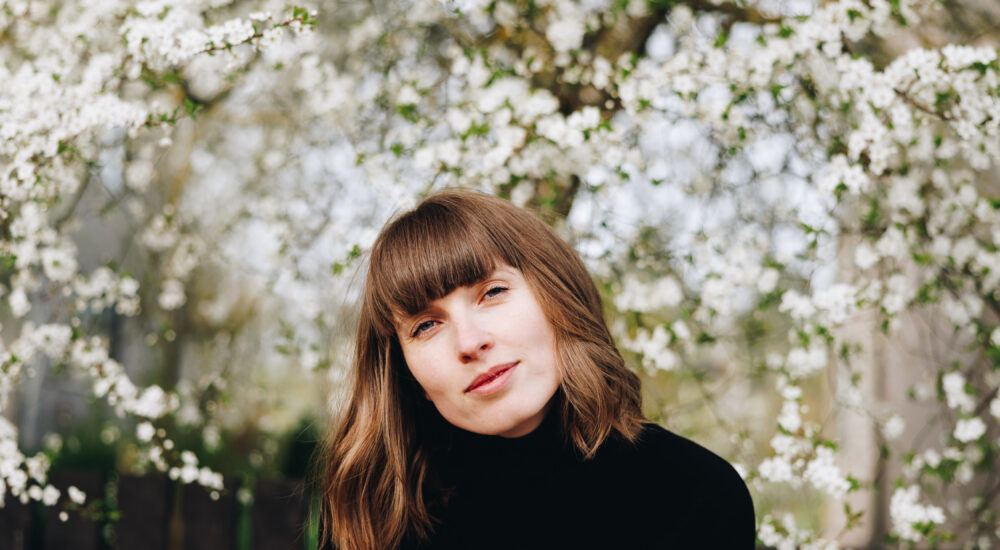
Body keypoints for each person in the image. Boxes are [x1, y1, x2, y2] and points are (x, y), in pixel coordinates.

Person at [318, 190, 755, 550]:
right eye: (426, 326)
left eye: (492, 292)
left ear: (557, 298)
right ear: (407, 374)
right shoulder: (370, 517)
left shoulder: (694, 494)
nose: (469, 342)